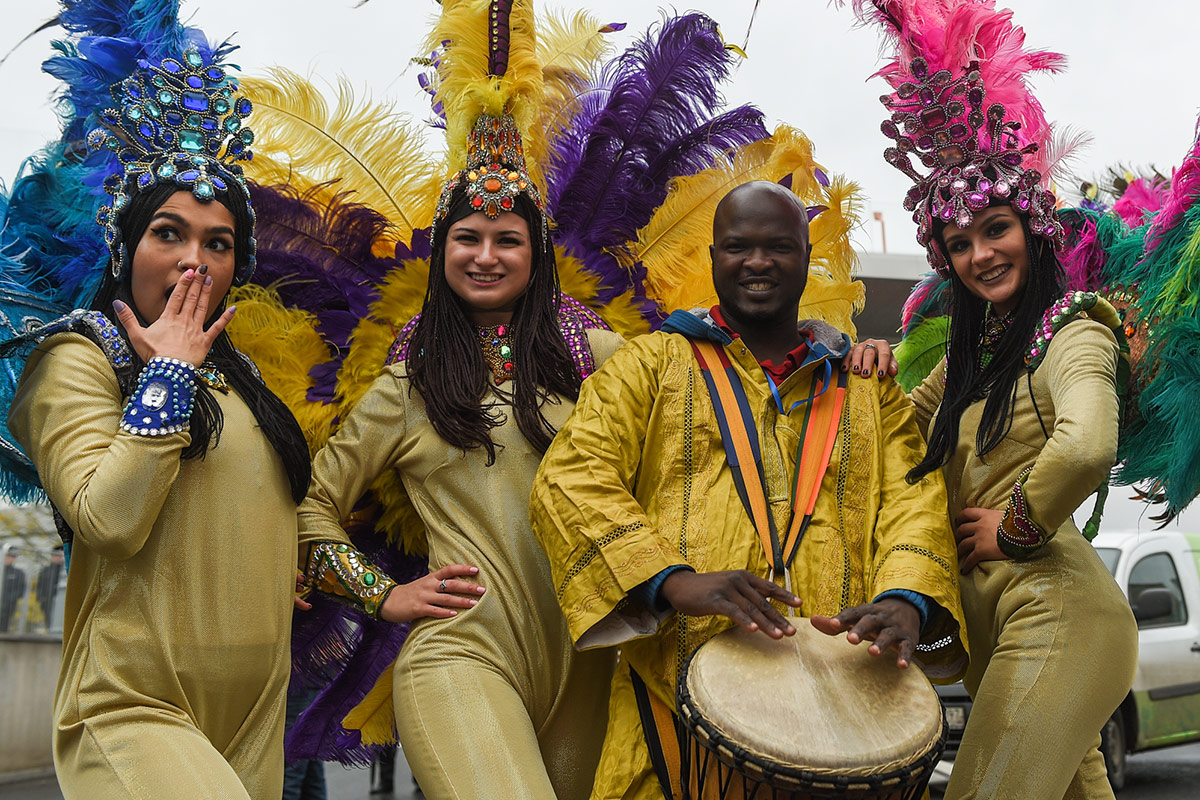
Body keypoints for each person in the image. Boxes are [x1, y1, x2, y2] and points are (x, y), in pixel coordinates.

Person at [4, 42, 398, 800]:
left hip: (252, 718)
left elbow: (291, 524)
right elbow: (108, 519)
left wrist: (384, 595)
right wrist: (167, 374)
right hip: (132, 711)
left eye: (218, 244)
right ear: (125, 247)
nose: (195, 262)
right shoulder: (79, 359)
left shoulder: (245, 387)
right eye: (169, 234)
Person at [529, 180, 969, 800]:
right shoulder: (647, 366)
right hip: (671, 718)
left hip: (848, 717)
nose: (757, 262)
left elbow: (913, 501)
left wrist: (907, 600)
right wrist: (672, 579)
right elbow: (571, 477)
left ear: (806, 258)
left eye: (778, 247)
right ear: (713, 259)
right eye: (738, 246)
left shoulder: (867, 387)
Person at [294, 109, 625, 799]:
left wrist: (840, 352)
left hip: (593, 668)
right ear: (442, 252)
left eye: (508, 239)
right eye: (467, 237)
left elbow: (707, 428)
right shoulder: (409, 382)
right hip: (460, 655)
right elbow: (310, 505)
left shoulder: (600, 355)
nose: (486, 255)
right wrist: (383, 594)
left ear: (537, 255)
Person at [845, 24, 1139, 799]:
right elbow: (893, 444)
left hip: (1059, 620)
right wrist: (862, 366)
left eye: (996, 229)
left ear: (1033, 229)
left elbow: (1086, 446)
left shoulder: (1070, 328)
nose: (982, 254)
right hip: (1004, 635)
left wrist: (1011, 526)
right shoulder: (968, 365)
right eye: (961, 242)